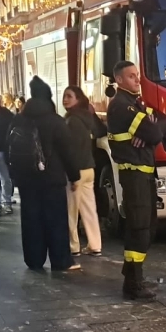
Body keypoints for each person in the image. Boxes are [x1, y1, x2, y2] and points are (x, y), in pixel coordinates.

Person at [107, 60, 163, 300]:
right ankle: (133, 284)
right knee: (139, 228)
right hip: (134, 174)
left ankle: (133, 275)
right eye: (131, 76)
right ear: (119, 80)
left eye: (137, 75)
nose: (137, 79)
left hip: (144, 173)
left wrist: (148, 133)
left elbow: (159, 123)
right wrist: (149, 133)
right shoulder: (122, 105)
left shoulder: (135, 102)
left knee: (147, 226)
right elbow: (155, 132)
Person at [12, 77, 80, 272]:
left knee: (31, 220)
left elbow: (10, 148)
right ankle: (60, 261)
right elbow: (68, 151)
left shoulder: (19, 120)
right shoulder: (55, 121)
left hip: (26, 180)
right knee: (56, 220)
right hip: (52, 179)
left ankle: (34, 260)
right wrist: (74, 176)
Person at [63, 86, 103, 257]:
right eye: (64, 96)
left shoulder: (71, 121)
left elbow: (72, 150)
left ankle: (73, 246)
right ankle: (95, 245)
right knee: (89, 209)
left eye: (69, 96)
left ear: (78, 99)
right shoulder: (87, 117)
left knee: (71, 211)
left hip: (77, 170)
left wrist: (72, 175)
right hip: (89, 169)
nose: (65, 99)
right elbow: (101, 132)